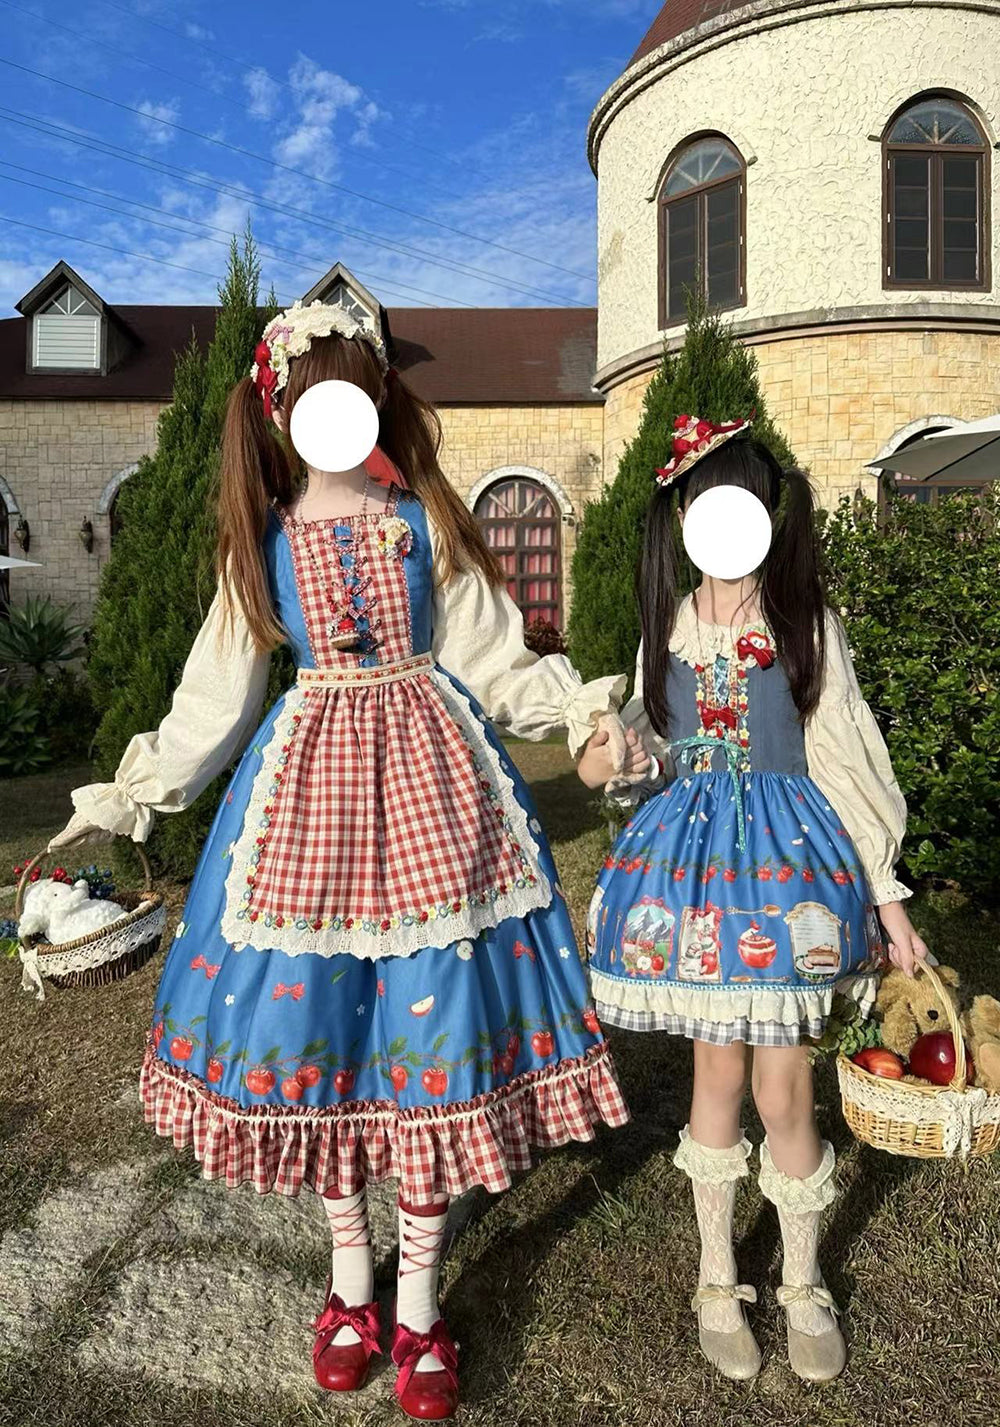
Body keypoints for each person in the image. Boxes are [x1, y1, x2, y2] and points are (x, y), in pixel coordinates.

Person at [52, 300, 630, 1421]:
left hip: (435, 802)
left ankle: (417, 1304)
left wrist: (579, 714)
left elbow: (496, 655)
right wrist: (130, 796)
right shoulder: (262, 540)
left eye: (354, 389)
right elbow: (215, 696)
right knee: (321, 1044)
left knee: (429, 1042)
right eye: (317, 394)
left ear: (374, 399)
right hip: (306, 812)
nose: (337, 411)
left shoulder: (424, 521)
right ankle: (350, 1284)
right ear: (280, 413)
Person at [578, 417, 926, 1384]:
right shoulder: (669, 627)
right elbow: (645, 749)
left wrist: (887, 897)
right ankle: (717, 1274)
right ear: (684, 516)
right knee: (718, 1076)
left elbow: (843, 753)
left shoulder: (804, 621)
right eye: (706, 505)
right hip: (694, 878)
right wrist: (615, 754)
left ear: (767, 514)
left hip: (786, 870)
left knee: (785, 1085)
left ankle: (803, 1278)